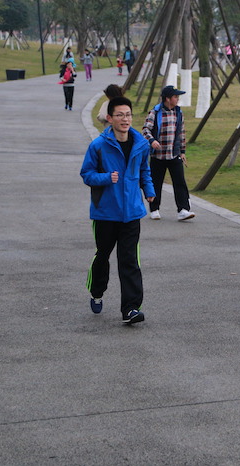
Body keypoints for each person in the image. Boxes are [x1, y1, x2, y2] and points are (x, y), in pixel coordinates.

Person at [80, 96, 156, 325]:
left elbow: (144, 171)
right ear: (110, 118)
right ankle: (97, 291)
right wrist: (106, 178)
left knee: (129, 260)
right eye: (120, 115)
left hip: (132, 212)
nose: (125, 119)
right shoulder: (98, 146)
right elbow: (86, 174)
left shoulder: (141, 144)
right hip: (105, 213)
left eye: (128, 115)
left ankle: (131, 308)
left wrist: (149, 190)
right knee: (103, 255)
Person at [142, 85, 195, 221]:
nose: (177, 99)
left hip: (174, 154)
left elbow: (181, 133)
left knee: (180, 182)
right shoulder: (155, 112)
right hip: (157, 156)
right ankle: (154, 209)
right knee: (156, 182)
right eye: (175, 97)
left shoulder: (178, 112)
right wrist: (152, 141)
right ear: (167, 98)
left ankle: (183, 210)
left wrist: (182, 151)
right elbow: (146, 130)